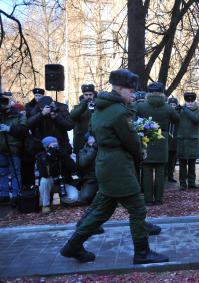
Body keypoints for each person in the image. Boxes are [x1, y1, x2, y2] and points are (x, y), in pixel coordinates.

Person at [60, 69, 168, 264]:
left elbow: (93, 131)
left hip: (105, 163)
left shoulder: (100, 107)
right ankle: (142, 253)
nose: (133, 94)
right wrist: (140, 152)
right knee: (137, 209)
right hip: (119, 167)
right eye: (130, 90)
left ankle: (72, 246)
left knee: (102, 210)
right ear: (119, 88)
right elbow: (131, 142)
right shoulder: (119, 112)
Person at [135, 82, 179, 205]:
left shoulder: (140, 106)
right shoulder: (168, 107)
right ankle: (159, 199)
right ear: (162, 93)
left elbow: (131, 118)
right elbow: (177, 120)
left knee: (147, 171)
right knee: (160, 172)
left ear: (148, 93)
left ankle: (148, 200)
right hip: (162, 141)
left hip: (146, 140)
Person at [36, 136, 79, 213]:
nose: (55, 147)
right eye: (52, 145)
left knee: (74, 197)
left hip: (63, 181)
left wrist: (64, 156)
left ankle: (63, 199)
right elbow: (44, 174)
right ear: (46, 146)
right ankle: (46, 205)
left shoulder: (62, 154)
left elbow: (74, 168)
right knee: (44, 181)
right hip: (50, 182)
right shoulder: (41, 156)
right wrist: (49, 157)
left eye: (56, 145)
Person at [0, 93, 28, 205]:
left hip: (14, 148)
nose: (3, 104)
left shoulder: (19, 115)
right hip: (1, 149)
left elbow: (23, 131)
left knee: (16, 172)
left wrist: (9, 129)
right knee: (2, 172)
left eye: (5, 101)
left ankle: (16, 195)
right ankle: (4, 194)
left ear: (11, 102)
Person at [176, 92, 199, 190]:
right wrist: (176, 110)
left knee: (192, 163)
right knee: (182, 164)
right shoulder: (181, 110)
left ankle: (192, 183)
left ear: (194, 100)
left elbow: (197, 119)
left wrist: (185, 110)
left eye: (192, 101)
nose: (190, 103)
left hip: (193, 141)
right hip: (182, 140)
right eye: (188, 101)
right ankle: (182, 184)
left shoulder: (198, 111)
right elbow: (174, 119)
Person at [70, 84, 97, 154]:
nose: (88, 97)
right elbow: (72, 116)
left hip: (94, 138)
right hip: (80, 139)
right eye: (86, 95)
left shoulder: (98, 105)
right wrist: (83, 105)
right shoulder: (78, 107)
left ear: (94, 95)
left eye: (90, 94)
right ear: (83, 95)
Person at [76, 134, 98, 204]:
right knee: (85, 197)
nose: (93, 140)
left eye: (94, 138)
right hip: (91, 179)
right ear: (86, 141)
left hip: (105, 178)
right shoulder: (82, 151)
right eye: (90, 139)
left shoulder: (103, 148)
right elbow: (83, 163)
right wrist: (93, 149)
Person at [166, 96, 179, 182]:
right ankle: (164, 175)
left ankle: (170, 175)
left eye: (174, 104)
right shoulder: (165, 113)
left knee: (173, 161)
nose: (172, 106)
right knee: (165, 160)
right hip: (166, 141)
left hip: (175, 141)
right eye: (171, 104)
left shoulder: (178, 114)